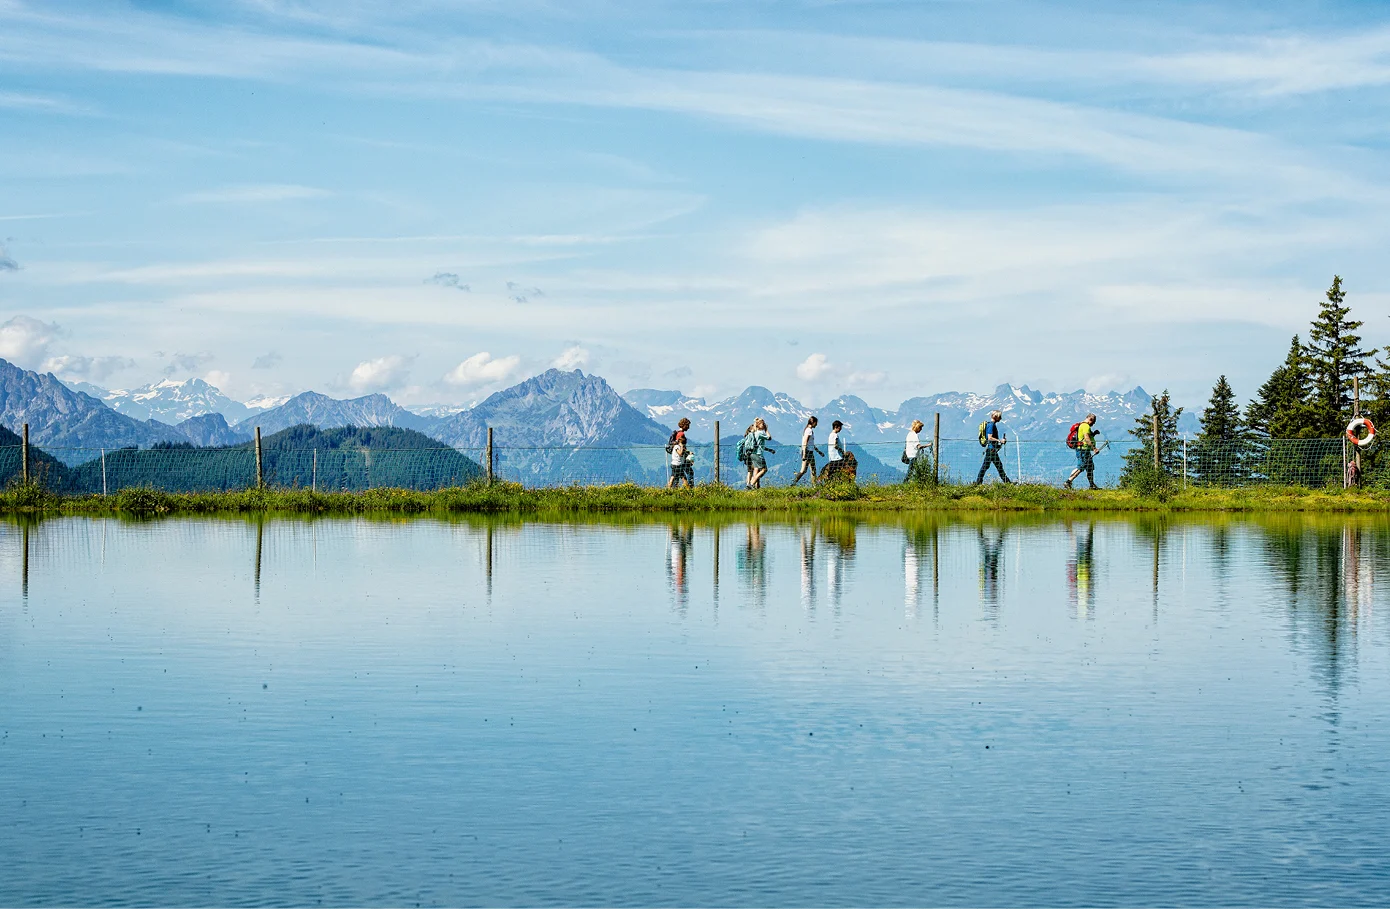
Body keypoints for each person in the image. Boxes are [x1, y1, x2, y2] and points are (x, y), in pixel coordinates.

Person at [974, 410, 1011, 485]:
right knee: (994, 466)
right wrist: (1000, 440)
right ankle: (1007, 483)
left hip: (991, 449)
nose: (1000, 418)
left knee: (988, 466)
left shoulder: (990, 425)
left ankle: (978, 482)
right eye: (999, 416)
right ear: (996, 417)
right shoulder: (991, 425)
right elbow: (989, 438)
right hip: (991, 450)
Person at [1065, 413, 1101, 490]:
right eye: (1093, 422)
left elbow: (1085, 437)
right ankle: (1068, 482)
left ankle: (1092, 485)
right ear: (1090, 419)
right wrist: (1094, 448)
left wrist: (1094, 434)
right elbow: (1086, 438)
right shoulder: (1085, 426)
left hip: (1085, 450)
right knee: (1081, 467)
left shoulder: (1082, 425)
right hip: (1083, 450)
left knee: (1090, 467)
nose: (1093, 424)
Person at [790, 416, 823, 486]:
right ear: (813, 422)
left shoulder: (808, 430)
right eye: (816, 423)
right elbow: (805, 442)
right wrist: (804, 454)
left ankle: (814, 485)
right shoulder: (809, 430)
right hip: (808, 452)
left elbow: (811, 444)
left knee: (813, 469)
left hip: (809, 452)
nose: (816, 425)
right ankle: (793, 483)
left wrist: (818, 451)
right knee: (803, 470)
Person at [745, 418, 775, 489]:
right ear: (758, 425)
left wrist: (769, 450)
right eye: (762, 424)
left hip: (753, 454)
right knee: (764, 469)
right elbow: (769, 438)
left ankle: (754, 486)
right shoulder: (760, 433)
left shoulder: (754, 433)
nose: (764, 425)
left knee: (756, 469)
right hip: (758, 454)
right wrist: (766, 429)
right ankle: (751, 484)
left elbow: (759, 445)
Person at [666, 418, 694, 489]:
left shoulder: (677, 432)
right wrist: (688, 453)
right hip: (680, 459)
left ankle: (673, 488)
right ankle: (690, 488)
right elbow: (680, 446)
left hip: (676, 460)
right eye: (688, 425)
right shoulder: (681, 434)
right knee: (689, 473)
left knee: (675, 476)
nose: (689, 427)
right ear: (684, 425)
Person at [903, 419, 932, 484]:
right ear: (917, 427)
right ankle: (905, 483)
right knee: (911, 471)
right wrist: (928, 445)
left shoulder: (909, 434)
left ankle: (915, 482)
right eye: (920, 427)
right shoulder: (914, 435)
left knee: (913, 470)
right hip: (914, 455)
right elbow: (919, 446)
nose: (921, 429)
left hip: (909, 454)